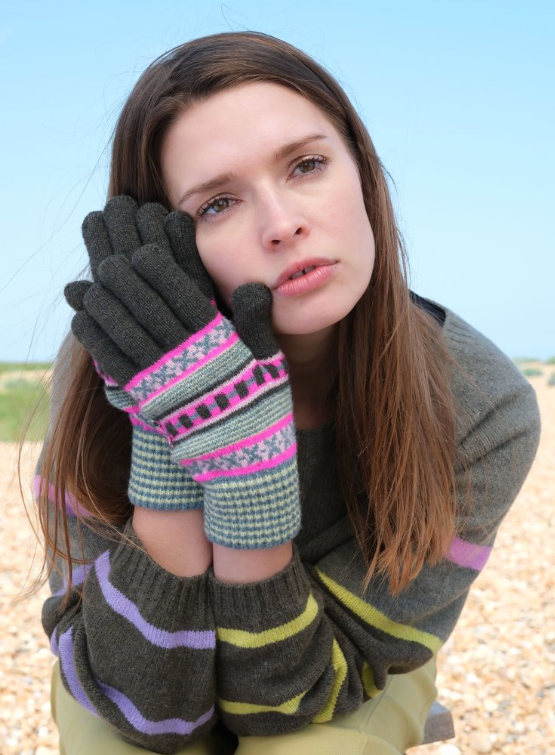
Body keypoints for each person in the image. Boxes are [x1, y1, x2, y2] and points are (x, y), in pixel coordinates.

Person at [34, 31, 541, 755]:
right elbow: (145, 708)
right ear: (165, 243)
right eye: (216, 204)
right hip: (117, 663)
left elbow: (288, 707)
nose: (282, 225)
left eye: (306, 165)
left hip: (345, 675)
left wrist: (251, 491)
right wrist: (170, 431)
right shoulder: (102, 370)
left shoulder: (481, 404)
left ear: (362, 171)